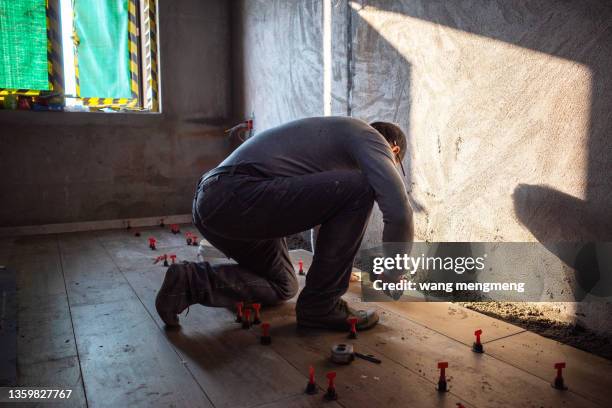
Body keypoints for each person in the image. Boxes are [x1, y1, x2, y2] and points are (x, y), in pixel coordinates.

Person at [155, 116, 414, 330]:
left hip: (216, 205)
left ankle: (189, 282)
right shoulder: (369, 138)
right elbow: (400, 212)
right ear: (393, 151)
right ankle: (321, 307)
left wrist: (328, 270)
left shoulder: (338, 145)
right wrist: (392, 273)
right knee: (360, 189)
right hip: (234, 195)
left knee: (283, 285)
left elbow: (323, 221)